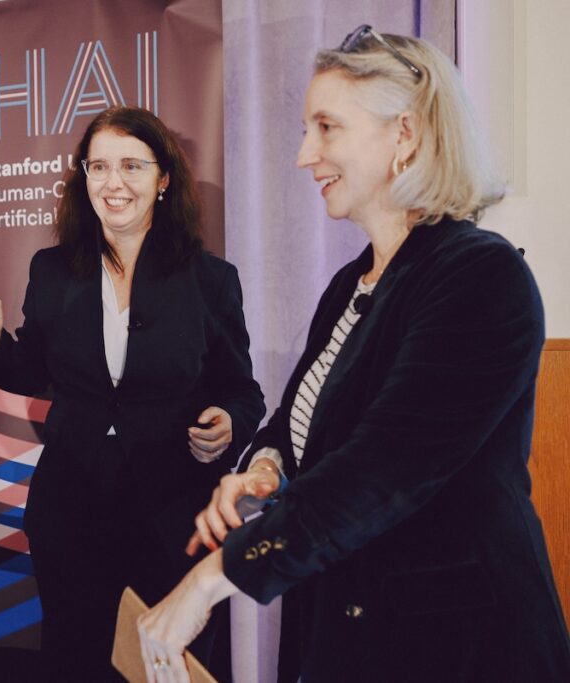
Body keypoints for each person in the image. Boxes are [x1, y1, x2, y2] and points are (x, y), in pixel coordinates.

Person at [137, 25, 570, 683]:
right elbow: (298, 421)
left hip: (455, 646)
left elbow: (382, 467)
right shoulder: (352, 282)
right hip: (350, 626)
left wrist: (210, 579)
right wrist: (267, 467)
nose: (303, 155)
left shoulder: (482, 276)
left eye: (327, 128)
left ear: (406, 135)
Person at [0, 106, 265, 680]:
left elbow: (243, 392)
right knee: (76, 663)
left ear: (163, 178)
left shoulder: (210, 279)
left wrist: (228, 421)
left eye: (131, 165)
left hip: (173, 518)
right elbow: (30, 373)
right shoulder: (52, 269)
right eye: (98, 166)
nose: (112, 182)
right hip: (70, 514)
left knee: (166, 668)